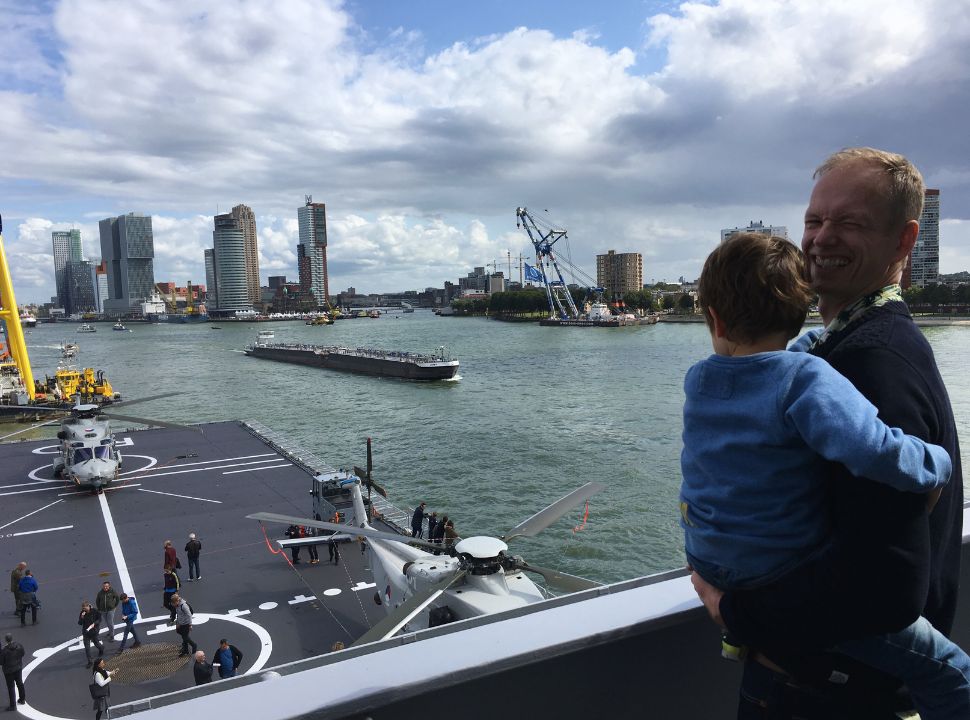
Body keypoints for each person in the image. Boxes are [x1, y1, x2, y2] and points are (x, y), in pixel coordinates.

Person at [691, 148, 965, 718]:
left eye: (851, 222)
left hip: (825, 694)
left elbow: (886, 586)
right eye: (815, 221)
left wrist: (736, 614)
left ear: (904, 240)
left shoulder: (869, 364)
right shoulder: (840, 350)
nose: (821, 239)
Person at [2, 633, 26, 711]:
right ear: (12, 639)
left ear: (6, 640)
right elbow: (23, 653)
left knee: (11, 687)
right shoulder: (19, 645)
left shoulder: (4, 651)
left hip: (8, 671)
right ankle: (22, 699)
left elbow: (1, 662)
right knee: (20, 683)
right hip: (18, 668)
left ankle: (13, 706)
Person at [78, 601, 103, 669]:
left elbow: (100, 619)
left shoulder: (95, 611)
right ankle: (90, 661)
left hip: (94, 631)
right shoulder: (82, 613)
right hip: (86, 632)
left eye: (85, 608)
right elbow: (80, 623)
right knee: (87, 648)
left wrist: (94, 623)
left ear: (88, 606)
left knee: (96, 643)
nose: (84, 610)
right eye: (83, 608)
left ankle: (101, 649)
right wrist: (82, 617)